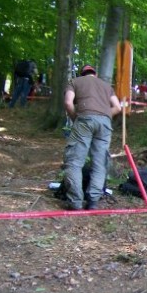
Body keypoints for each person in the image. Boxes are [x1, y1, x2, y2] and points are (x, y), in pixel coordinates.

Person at [63, 64, 122, 210]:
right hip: (105, 124)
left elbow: (68, 102)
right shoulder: (106, 85)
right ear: (94, 74)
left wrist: (75, 118)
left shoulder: (75, 82)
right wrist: (105, 115)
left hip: (84, 120)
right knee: (100, 162)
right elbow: (118, 107)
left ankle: (75, 202)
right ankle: (93, 201)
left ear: (82, 74)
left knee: (74, 161)